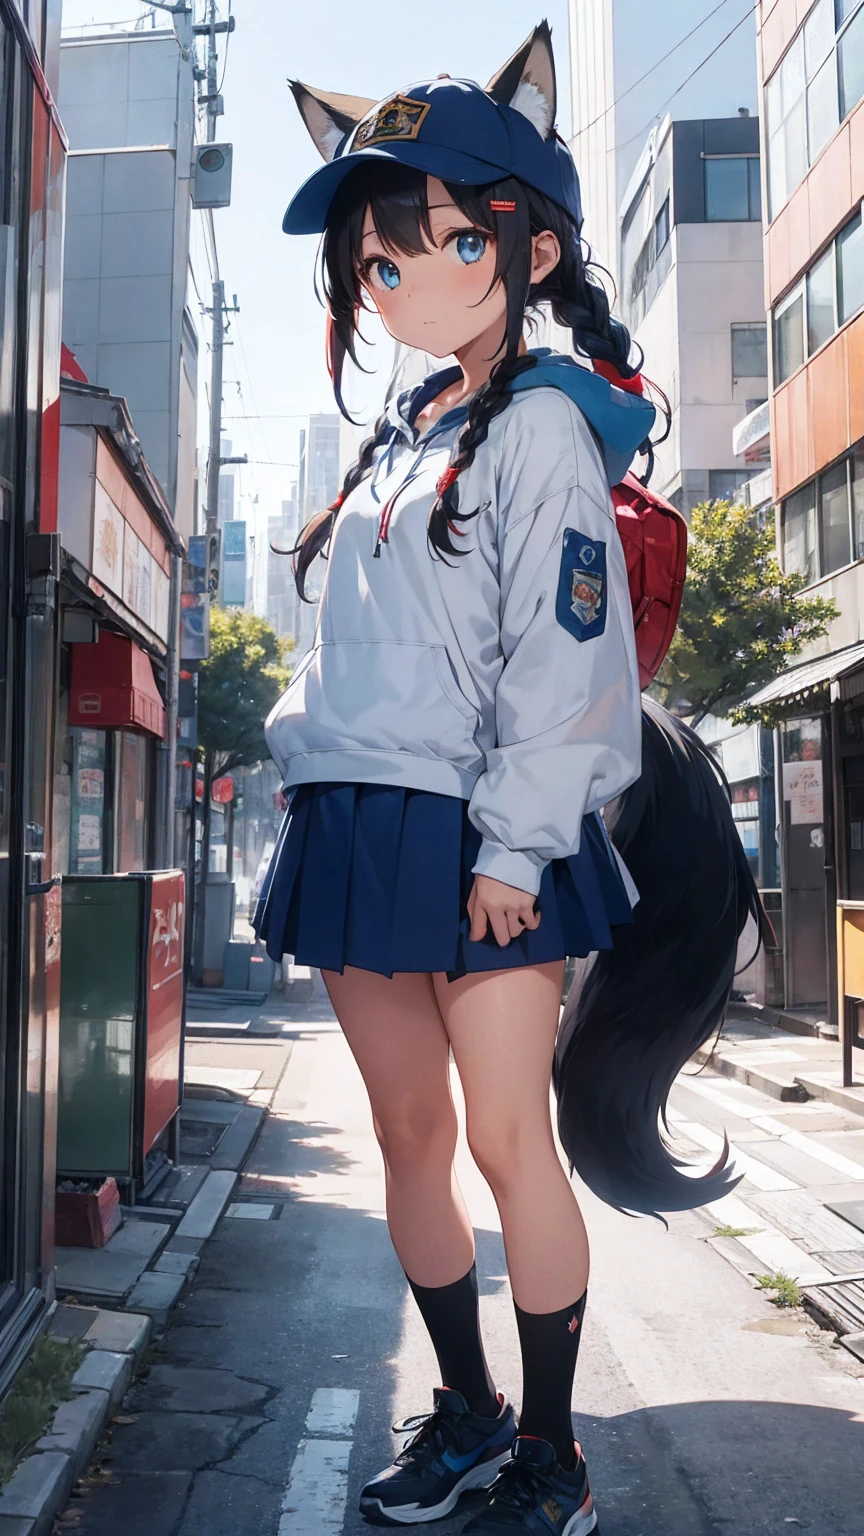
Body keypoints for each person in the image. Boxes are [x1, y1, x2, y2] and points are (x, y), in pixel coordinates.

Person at [256, 23, 763, 1534]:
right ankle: (469, 1413)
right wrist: (305, 765)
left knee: (501, 1138)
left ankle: (554, 1449)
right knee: (409, 1141)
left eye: (451, 238)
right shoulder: (398, 440)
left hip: (487, 834)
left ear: (532, 247)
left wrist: (517, 846)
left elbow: (567, 666)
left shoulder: (541, 425)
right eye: (381, 257)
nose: (406, 278)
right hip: (352, 821)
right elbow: (342, 648)